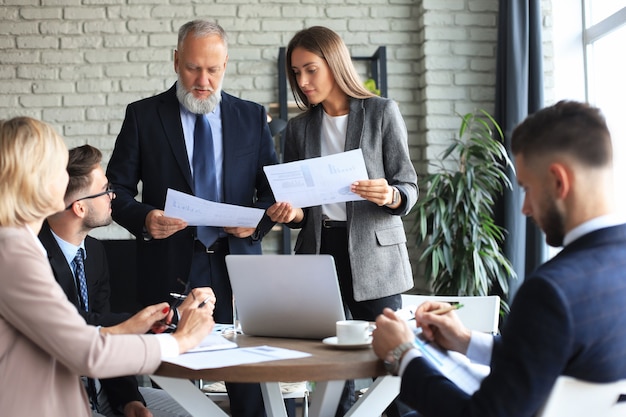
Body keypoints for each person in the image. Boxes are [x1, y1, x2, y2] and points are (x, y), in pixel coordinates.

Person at [371, 100, 626, 417]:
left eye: (527, 189)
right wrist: (465, 340)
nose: (526, 208)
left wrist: (402, 353)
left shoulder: (551, 291)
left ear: (559, 182)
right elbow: (551, 355)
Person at [106, 20, 277, 417]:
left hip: (237, 267)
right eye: (192, 68)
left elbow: (271, 190)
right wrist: (145, 218)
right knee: (173, 379)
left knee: (247, 380)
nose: (203, 80)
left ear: (226, 65)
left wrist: (257, 222)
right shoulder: (143, 115)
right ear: (175, 61)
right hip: (169, 263)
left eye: (213, 69)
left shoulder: (251, 117)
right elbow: (116, 189)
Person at [0, 116, 215, 417]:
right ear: (34, 179)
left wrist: (136, 328)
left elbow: (77, 337)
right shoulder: (13, 252)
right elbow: (87, 351)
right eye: (56, 167)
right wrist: (182, 341)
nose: (64, 179)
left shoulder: (20, 245)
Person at [265, 26, 418, 415]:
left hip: (374, 252)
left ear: (334, 64)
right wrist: (292, 213)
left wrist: (391, 194)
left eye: (310, 70)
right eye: (296, 73)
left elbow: (409, 185)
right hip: (321, 251)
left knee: (392, 361)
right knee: (332, 364)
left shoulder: (382, 112)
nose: (302, 81)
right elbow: (302, 206)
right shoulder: (299, 128)